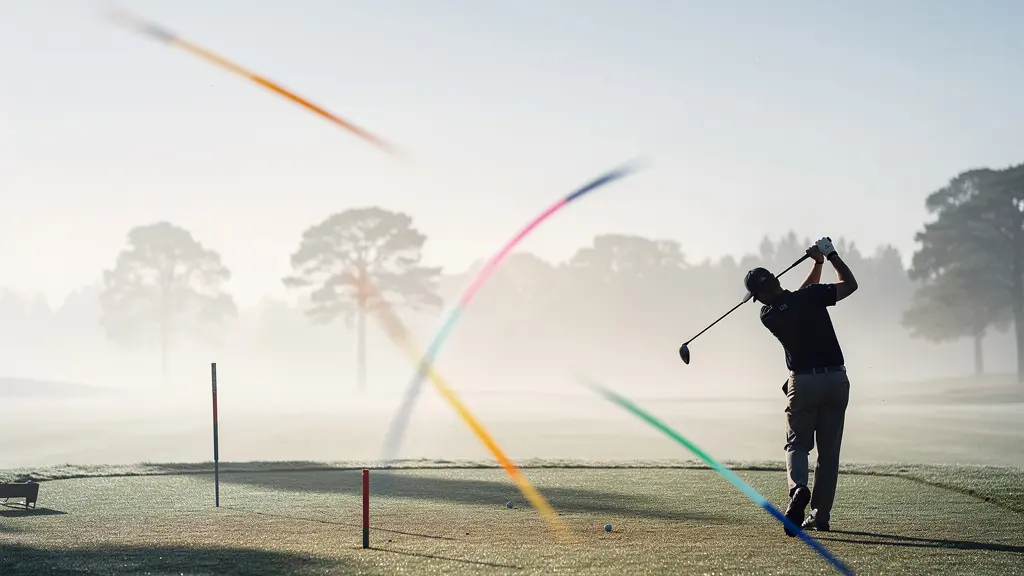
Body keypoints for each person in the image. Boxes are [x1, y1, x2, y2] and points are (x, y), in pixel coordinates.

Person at [742, 236, 858, 536]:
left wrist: (816, 263)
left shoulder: (768, 315)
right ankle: (820, 515)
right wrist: (828, 256)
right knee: (828, 452)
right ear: (777, 282)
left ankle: (798, 490)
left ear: (760, 296)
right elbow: (849, 284)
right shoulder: (812, 297)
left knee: (797, 444)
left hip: (803, 382)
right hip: (836, 379)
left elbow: (792, 300)